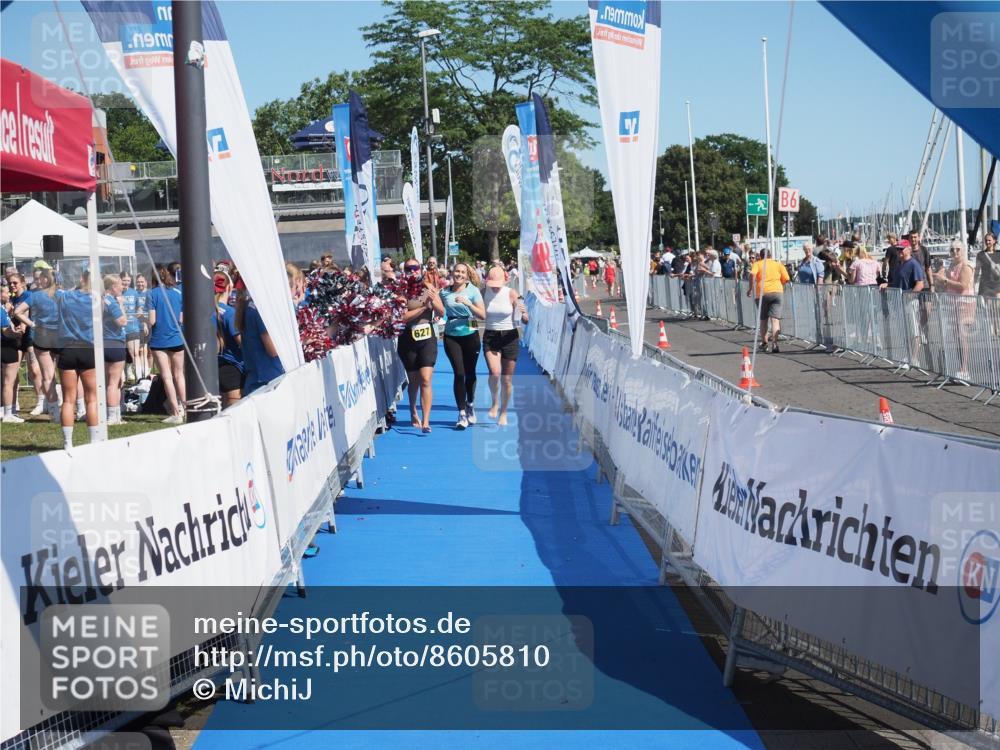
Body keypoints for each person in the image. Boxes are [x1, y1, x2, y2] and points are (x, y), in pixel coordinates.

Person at [396, 259, 444, 432]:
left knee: (425, 379)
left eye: (415, 268)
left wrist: (433, 301)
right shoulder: (401, 292)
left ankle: (426, 421)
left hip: (427, 337)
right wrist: (423, 309)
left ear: (420, 269)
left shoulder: (428, 288)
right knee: (414, 381)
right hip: (408, 338)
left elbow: (441, 311)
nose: (412, 271)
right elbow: (402, 317)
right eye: (409, 268)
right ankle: (412, 409)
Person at [237, 264, 298, 396]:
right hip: (265, 383)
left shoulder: (253, 306)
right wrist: (301, 342)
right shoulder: (261, 311)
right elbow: (273, 350)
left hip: (261, 380)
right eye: (294, 288)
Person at [55, 272, 101, 447]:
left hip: (68, 348)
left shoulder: (65, 297)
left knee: (68, 399)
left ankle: (67, 443)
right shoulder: (96, 300)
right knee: (92, 399)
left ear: (81, 279)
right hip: (88, 348)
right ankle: (94, 441)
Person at [440, 262, 485, 429]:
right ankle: (461, 413)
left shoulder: (472, 290)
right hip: (451, 336)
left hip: (470, 333)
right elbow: (438, 309)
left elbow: (482, 314)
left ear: (467, 276)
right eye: (457, 271)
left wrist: (468, 304)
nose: (459, 274)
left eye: (462, 272)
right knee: (459, 374)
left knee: (470, 373)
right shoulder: (445, 292)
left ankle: (470, 404)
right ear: (452, 273)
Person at [482, 266, 528, 426]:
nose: (494, 286)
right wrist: (472, 328)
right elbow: (476, 313)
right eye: (492, 283)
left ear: (504, 281)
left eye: (497, 283)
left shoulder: (511, 293)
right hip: (491, 335)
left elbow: (525, 319)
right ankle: (495, 401)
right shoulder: (484, 292)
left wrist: (523, 313)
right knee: (495, 373)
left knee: (506, 379)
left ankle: (504, 411)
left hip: (509, 336)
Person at [147, 265, 186, 424]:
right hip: (177, 338)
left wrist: (143, 320)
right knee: (179, 375)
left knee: (167, 376)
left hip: (159, 340)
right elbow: (181, 319)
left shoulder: (152, 294)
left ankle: (176, 412)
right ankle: (187, 408)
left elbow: (152, 320)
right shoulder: (178, 292)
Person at [747, 250, 791, 353]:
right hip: (777, 292)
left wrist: (750, 288)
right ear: (771, 255)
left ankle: (765, 343)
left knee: (763, 320)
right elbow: (787, 279)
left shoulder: (757, 264)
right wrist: (779, 286)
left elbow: (752, 275)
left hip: (762, 293)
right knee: (775, 320)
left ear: (760, 256)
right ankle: (775, 344)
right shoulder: (778, 264)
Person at [213, 270, 243, 407]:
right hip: (234, 368)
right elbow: (240, 342)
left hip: (216, 367)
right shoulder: (230, 313)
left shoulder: (206, 310)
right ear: (229, 288)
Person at [102, 275, 128, 426]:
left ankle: (115, 415)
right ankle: (112, 416)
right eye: (119, 285)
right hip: (114, 342)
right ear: (112, 287)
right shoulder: (111, 302)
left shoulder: (101, 300)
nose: (122, 288)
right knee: (113, 382)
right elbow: (122, 321)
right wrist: (122, 305)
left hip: (104, 343)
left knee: (114, 381)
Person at [1, 282, 26, 423]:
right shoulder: (0, 310)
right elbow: (5, 331)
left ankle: (5, 410)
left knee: (4, 382)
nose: (8, 295)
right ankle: (8, 413)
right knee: (9, 382)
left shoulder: (4, 309)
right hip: (6, 347)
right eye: (5, 292)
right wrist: (18, 334)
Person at [120, 271, 142, 383]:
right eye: (124, 280)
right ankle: (122, 380)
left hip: (133, 328)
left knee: (135, 354)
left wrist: (139, 313)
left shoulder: (134, 293)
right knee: (120, 355)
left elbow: (139, 308)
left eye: (128, 281)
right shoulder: (115, 292)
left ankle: (140, 380)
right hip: (119, 329)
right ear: (120, 280)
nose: (126, 283)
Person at [133, 273, 151, 380]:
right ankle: (142, 374)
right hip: (139, 324)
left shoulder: (149, 293)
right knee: (141, 350)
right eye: (138, 282)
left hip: (150, 323)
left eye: (142, 281)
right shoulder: (135, 294)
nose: (140, 284)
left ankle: (148, 371)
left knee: (150, 351)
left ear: (146, 282)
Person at [974, 232, 1000, 298]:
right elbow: (977, 271)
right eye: (986, 240)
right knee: (988, 307)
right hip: (985, 286)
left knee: (997, 306)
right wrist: (973, 283)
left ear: (994, 241)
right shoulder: (980, 255)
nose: (987, 242)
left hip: (997, 285)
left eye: (989, 240)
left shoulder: (998, 254)